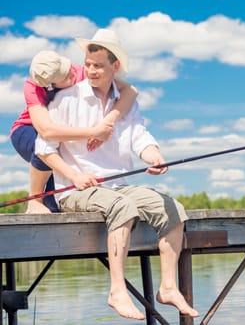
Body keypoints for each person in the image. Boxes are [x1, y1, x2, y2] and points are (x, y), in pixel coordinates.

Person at [35, 29, 199, 320]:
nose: (91, 70)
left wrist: (155, 157)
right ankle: (117, 291)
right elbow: (45, 150)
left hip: (118, 186)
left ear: (115, 66)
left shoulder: (125, 102)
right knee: (124, 206)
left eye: (98, 64)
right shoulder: (65, 99)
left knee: (173, 208)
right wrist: (72, 175)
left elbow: (139, 137)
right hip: (75, 191)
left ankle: (169, 288)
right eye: (87, 63)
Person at [10, 50, 138, 214]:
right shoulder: (33, 87)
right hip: (28, 129)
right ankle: (34, 200)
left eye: (68, 68)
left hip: (63, 132)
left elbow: (130, 91)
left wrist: (106, 123)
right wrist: (93, 131)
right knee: (42, 148)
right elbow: (46, 130)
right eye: (65, 78)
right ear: (50, 85)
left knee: (55, 197)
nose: (72, 74)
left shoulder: (83, 72)